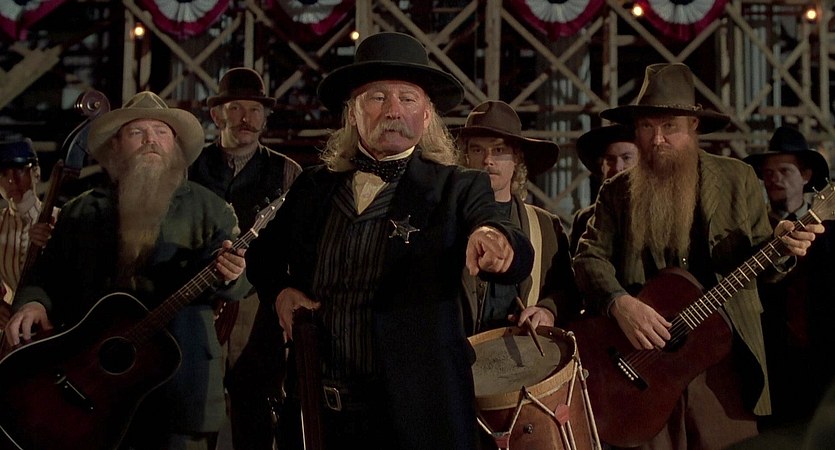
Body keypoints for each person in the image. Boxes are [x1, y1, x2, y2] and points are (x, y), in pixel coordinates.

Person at [245, 32, 534, 450]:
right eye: (377, 97)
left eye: (407, 98)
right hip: (318, 416)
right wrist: (280, 292)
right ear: (353, 112)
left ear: (428, 116)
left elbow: (508, 240)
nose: (393, 110)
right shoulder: (313, 187)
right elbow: (262, 255)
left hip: (417, 421)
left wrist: (497, 240)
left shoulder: (457, 186)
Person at [572, 63, 823, 450]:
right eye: (646, 126)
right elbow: (588, 258)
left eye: (669, 126)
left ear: (693, 127)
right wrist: (619, 303)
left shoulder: (738, 179)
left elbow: (765, 261)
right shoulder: (617, 192)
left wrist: (784, 247)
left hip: (724, 369)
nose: (657, 139)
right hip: (644, 365)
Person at [4, 91, 248, 450]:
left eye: (161, 132)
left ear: (175, 146)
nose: (151, 140)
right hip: (91, 389)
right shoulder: (80, 211)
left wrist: (233, 272)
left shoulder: (210, 209)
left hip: (179, 388)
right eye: (137, 132)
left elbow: (238, 283)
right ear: (116, 146)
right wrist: (33, 303)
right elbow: (45, 277)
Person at [189, 67, 302, 450]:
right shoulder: (190, 168)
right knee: (195, 409)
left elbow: (299, 243)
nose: (246, 119)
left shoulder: (287, 172)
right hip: (198, 303)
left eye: (255, 110)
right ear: (217, 115)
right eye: (236, 108)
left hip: (259, 306)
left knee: (256, 409)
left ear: (265, 118)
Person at [456, 99, 578, 333]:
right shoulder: (445, 219)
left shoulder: (544, 226)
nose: (487, 160)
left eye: (499, 150)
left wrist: (547, 310)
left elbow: (569, 292)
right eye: (477, 149)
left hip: (518, 350)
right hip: (456, 350)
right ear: (466, 156)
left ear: (516, 158)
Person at [742, 126, 835, 431]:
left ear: (806, 176)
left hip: (823, 355)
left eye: (784, 171)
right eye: (768, 173)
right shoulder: (752, 231)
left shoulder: (831, 230)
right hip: (771, 358)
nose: (774, 179)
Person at [0, 138, 52, 328]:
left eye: (20, 170)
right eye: (3, 174)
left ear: (36, 173)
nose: (11, 180)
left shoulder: (60, 218)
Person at [569, 124, 638, 254]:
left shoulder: (657, 213)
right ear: (602, 166)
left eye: (626, 158)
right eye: (610, 160)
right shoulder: (585, 218)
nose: (617, 168)